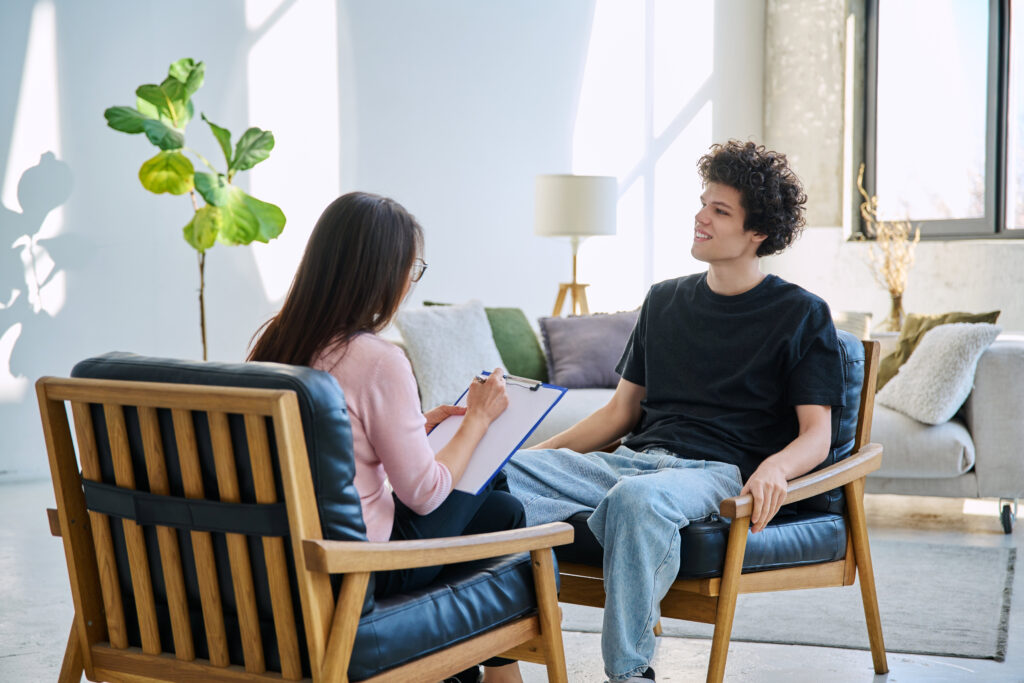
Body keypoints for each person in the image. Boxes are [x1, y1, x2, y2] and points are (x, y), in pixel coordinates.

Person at [503, 140, 845, 683]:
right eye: (702, 203)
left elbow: (816, 433)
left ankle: (630, 672)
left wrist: (776, 468)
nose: (700, 217)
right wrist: (519, 457)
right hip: (629, 464)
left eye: (720, 210)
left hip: (712, 476)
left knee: (637, 501)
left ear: (756, 233)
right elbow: (618, 415)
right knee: (492, 477)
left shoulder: (800, 314)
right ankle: (495, 654)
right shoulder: (662, 302)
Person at [248, 191, 523, 683]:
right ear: (382, 274)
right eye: (412, 269)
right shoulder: (378, 359)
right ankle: (484, 673)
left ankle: (459, 674)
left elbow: (340, 443)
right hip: (361, 565)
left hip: (285, 555)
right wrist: (477, 419)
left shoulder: (274, 342)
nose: (409, 283)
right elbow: (424, 494)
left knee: (497, 509)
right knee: (501, 500)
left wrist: (415, 427)